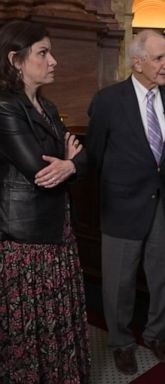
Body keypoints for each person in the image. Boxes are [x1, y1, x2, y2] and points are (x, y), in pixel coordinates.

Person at [86, 29, 165, 375]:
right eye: (159, 58)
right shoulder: (108, 100)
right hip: (122, 205)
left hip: (164, 205)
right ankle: (121, 342)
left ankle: (156, 334)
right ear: (137, 61)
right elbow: (94, 154)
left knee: (163, 277)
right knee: (119, 283)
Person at [0, 20, 90, 383]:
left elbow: (79, 159)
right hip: (25, 237)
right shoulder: (5, 107)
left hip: (58, 228)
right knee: (30, 322)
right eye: (43, 53)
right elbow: (40, 172)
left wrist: (70, 164)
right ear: (15, 60)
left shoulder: (48, 107)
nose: (53, 61)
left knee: (56, 314)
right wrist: (68, 163)